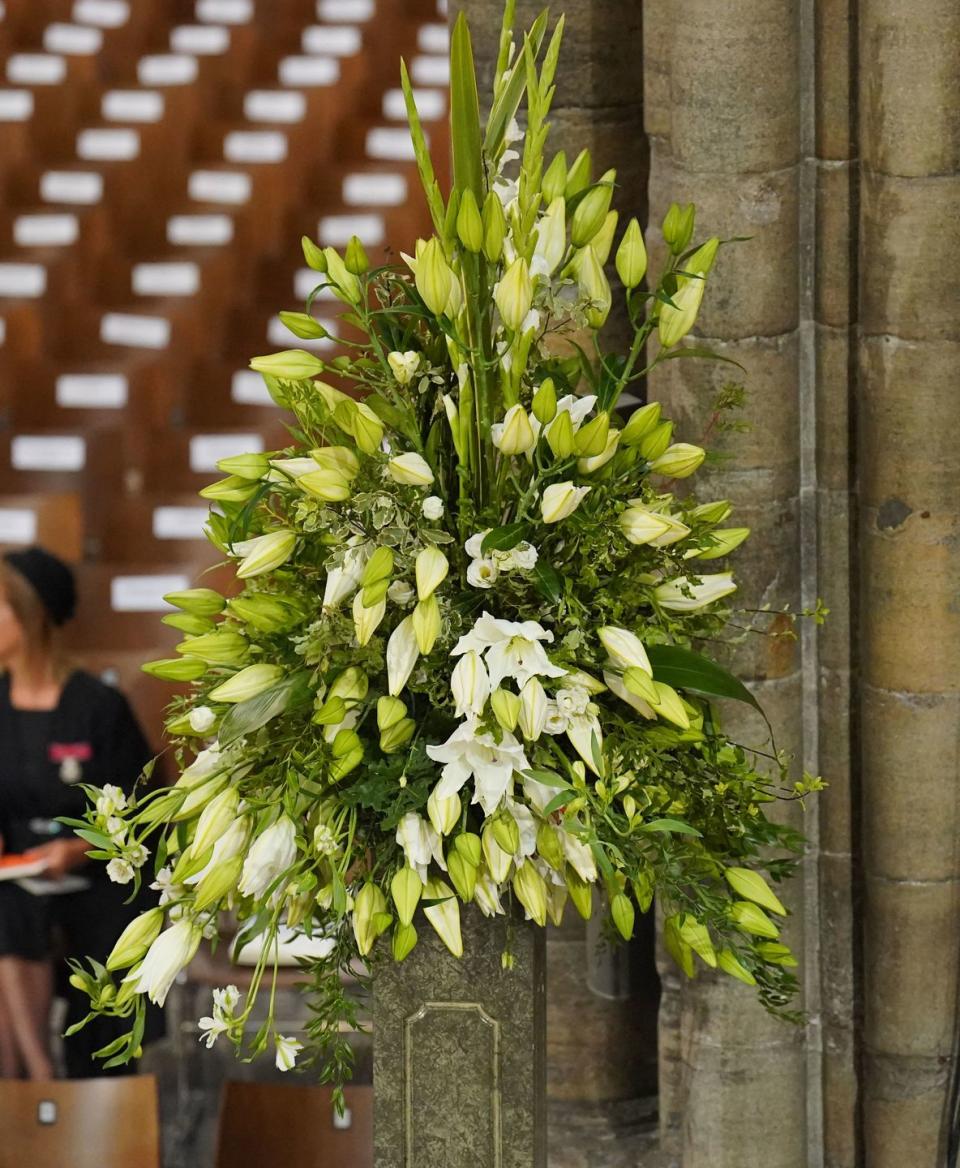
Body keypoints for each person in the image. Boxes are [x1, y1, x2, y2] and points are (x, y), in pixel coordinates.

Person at [0, 546, 154, 1079]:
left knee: (113, 927)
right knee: (7, 909)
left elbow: (142, 809)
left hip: (96, 871)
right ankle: (33, 1081)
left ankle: (79, 1090)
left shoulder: (98, 706)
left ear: (31, 614)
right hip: (17, 873)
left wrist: (79, 848)